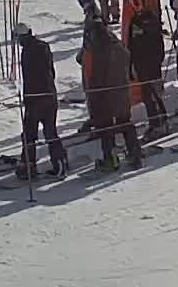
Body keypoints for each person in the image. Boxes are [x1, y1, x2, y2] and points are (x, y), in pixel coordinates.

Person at [79, 20, 143, 172]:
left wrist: (93, 98)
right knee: (125, 122)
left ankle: (111, 159)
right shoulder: (117, 44)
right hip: (122, 91)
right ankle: (135, 153)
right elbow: (128, 60)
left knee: (105, 127)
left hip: (105, 94)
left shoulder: (99, 50)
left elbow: (96, 78)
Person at [14, 23, 69, 180]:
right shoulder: (44, 47)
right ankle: (60, 163)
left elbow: (29, 78)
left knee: (29, 133)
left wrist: (27, 97)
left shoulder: (27, 52)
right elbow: (51, 71)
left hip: (35, 98)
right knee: (50, 131)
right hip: (50, 95)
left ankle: (28, 167)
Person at [127, 0, 170, 137]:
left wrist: (157, 61)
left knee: (154, 95)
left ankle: (161, 123)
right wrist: (130, 65)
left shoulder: (151, 18)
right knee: (146, 97)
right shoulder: (134, 21)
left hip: (151, 64)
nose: (135, 6)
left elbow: (158, 43)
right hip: (140, 65)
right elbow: (131, 45)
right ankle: (154, 123)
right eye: (132, 3)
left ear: (143, 2)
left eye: (137, 2)